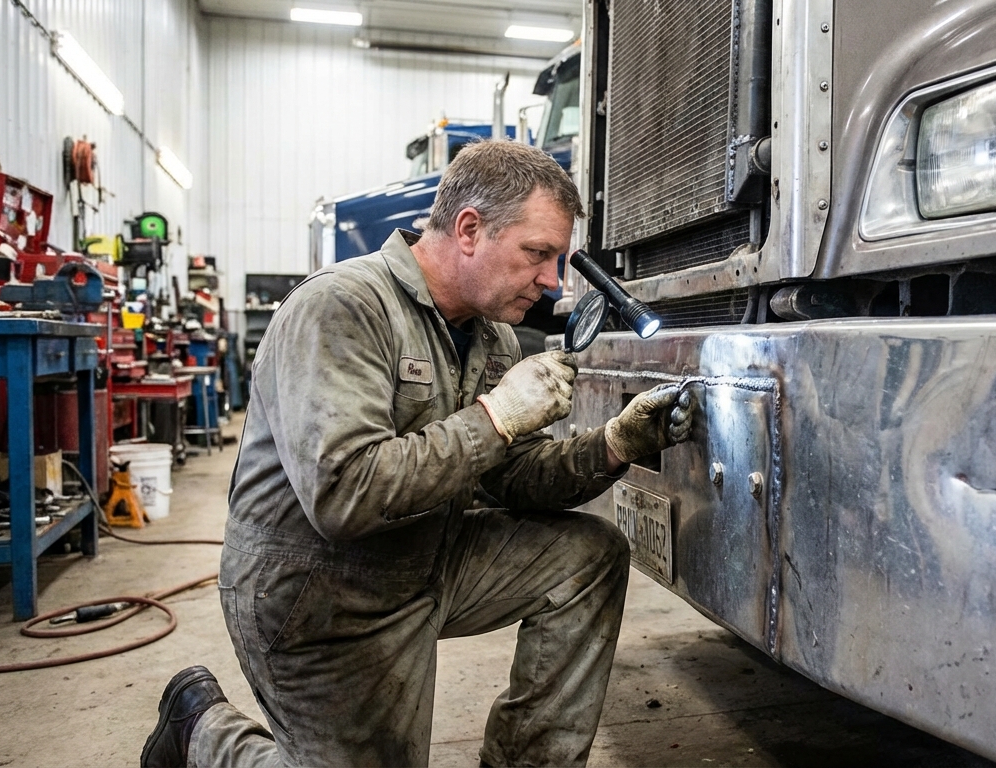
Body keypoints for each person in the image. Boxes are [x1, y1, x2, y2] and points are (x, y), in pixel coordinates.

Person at [140, 140, 692, 768]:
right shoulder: (342, 307)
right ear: (468, 229)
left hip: (427, 555)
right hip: (318, 589)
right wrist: (496, 416)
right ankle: (202, 734)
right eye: (537, 254)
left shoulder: (491, 335)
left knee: (586, 556)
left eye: (557, 258)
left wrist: (615, 443)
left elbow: (513, 478)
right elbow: (344, 495)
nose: (552, 281)